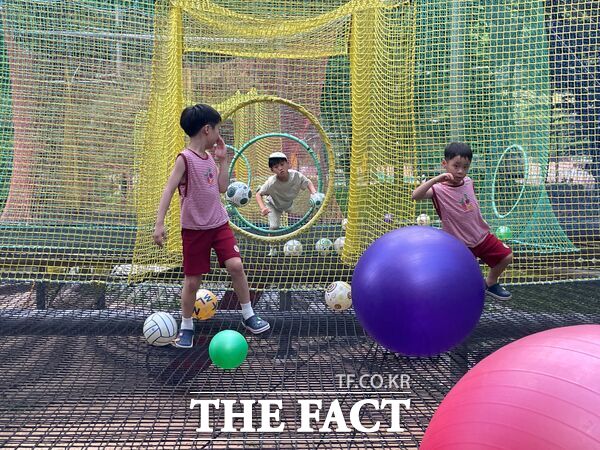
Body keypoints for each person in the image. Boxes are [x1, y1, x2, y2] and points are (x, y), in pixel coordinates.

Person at [153, 104, 270, 348]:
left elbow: (221, 187)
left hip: (218, 225)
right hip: (194, 230)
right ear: (207, 130)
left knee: (236, 265)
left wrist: (223, 161)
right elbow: (168, 189)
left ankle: (248, 314)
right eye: (217, 129)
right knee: (193, 281)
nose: (219, 134)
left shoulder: (208, 159)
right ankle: (186, 326)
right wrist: (159, 223)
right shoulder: (185, 159)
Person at [412, 142, 513, 300]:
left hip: (481, 235)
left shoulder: (468, 181)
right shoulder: (438, 189)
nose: (460, 171)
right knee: (460, 278)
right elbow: (415, 196)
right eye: (456, 166)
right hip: (459, 243)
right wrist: (436, 179)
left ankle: (491, 283)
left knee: (506, 256)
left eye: (465, 167)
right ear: (445, 164)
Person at [255, 152, 323, 254]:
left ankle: (265, 190)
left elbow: (308, 182)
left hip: (288, 204)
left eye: (282, 164)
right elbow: (257, 195)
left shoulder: (296, 176)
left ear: (287, 164)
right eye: (276, 167)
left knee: (303, 213)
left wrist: (314, 193)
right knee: (274, 226)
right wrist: (262, 208)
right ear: (272, 170)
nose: (280, 168)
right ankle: (272, 248)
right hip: (273, 205)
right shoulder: (271, 182)